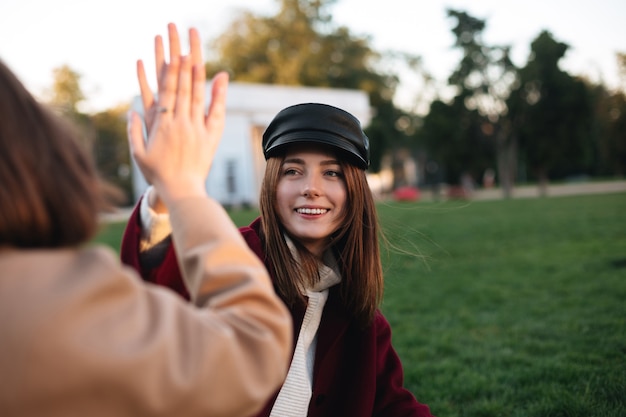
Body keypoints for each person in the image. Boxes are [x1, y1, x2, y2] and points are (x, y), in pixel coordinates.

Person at [121, 26, 434, 417]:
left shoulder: (363, 319)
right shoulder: (229, 258)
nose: (311, 188)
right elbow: (156, 287)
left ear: (355, 192)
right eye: (293, 171)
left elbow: (392, 406)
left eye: (332, 173)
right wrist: (168, 190)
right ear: (271, 186)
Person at [0, 23, 292, 417]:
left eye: (333, 172)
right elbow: (253, 349)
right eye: (292, 170)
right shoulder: (42, 306)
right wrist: (183, 187)